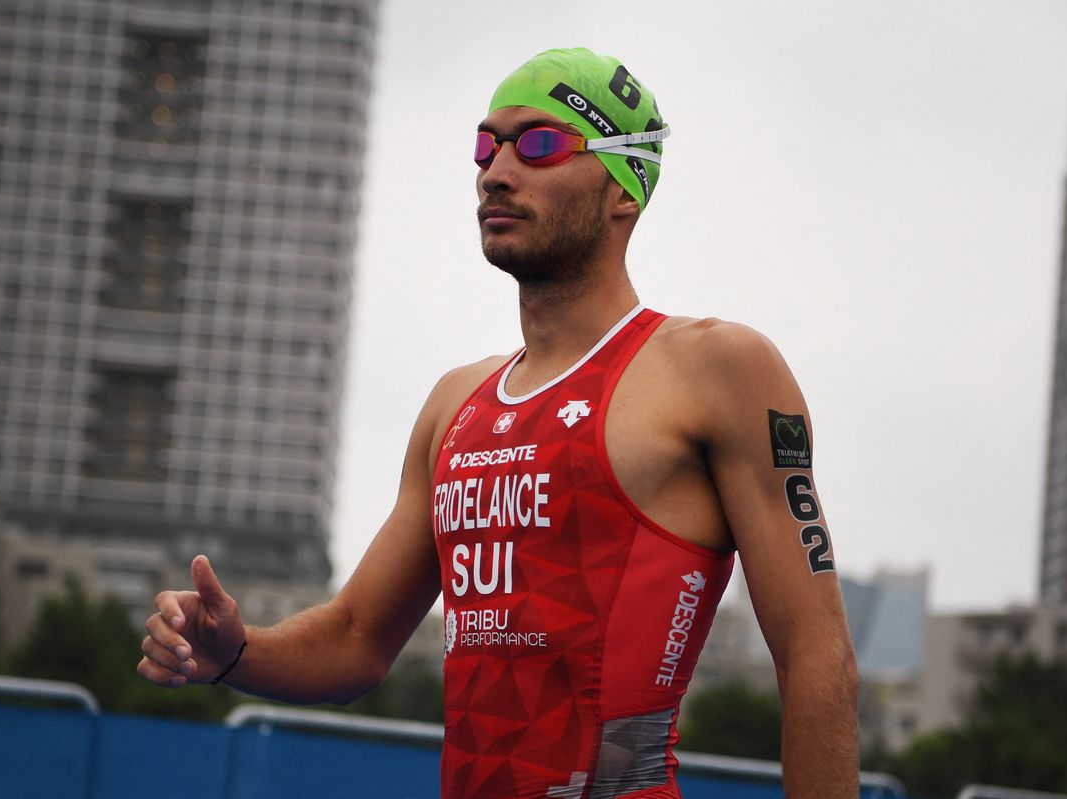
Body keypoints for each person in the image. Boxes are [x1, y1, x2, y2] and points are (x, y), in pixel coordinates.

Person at [138, 47, 859, 798]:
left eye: (540, 144)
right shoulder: (457, 402)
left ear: (624, 188)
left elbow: (816, 656)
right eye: (488, 145)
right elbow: (356, 638)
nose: (497, 171)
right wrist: (232, 651)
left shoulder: (717, 369)